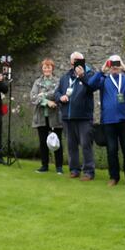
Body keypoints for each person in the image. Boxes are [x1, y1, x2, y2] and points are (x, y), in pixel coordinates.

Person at [90, 55, 125, 187]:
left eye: (117, 64)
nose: (115, 67)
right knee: (111, 150)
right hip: (108, 121)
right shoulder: (103, 80)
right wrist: (102, 69)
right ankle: (114, 177)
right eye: (112, 64)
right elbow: (90, 84)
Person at [54, 51, 97, 180]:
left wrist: (82, 76)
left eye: (80, 60)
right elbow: (57, 92)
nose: (77, 62)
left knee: (85, 144)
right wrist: (60, 97)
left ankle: (89, 171)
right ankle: (74, 170)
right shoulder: (65, 77)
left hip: (84, 117)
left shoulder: (90, 74)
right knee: (71, 145)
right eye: (75, 60)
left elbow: (92, 87)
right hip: (68, 116)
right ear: (71, 62)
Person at [29, 58, 64, 174]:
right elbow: (33, 97)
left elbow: (56, 94)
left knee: (57, 142)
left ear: (52, 68)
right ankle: (44, 166)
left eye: (49, 67)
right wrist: (46, 102)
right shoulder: (37, 82)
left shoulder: (58, 81)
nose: (47, 69)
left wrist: (42, 95)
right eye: (45, 67)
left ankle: (59, 167)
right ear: (42, 69)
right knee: (43, 142)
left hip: (55, 116)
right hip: (41, 116)